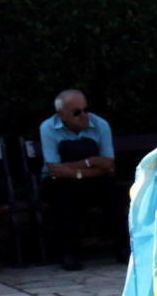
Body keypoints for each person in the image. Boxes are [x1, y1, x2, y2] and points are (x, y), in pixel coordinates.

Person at [39, 89, 121, 269]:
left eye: (85, 110)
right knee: (62, 194)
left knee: (112, 191)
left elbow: (108, 164)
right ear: (61, 115)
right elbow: (54, 169)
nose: (83, 115)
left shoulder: (100, 125)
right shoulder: (48, 128)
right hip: (61, 182)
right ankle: (68, 253)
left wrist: (80, 167)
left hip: (94, 179)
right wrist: (93, 163)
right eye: (76, 112)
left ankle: (123, 248)